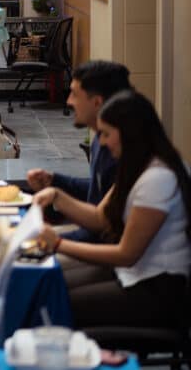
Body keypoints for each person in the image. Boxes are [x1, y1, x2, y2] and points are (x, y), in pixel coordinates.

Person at [34, 90, 191, 329]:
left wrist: (57, 244)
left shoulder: (158, 178)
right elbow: (100, 217)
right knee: (46, 284)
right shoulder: (137, 165)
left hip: (157, 290)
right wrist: (57, 195)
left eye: (106, 134)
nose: (103, 142)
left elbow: (126, 254)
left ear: (129, 134)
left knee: (48, 302)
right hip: (132, 275)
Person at [27, 60, 130, 241]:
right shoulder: (102, 137)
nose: (68, 101)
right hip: (87, 236)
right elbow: (98, 190)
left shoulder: (121, 150)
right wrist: (54, 180)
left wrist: (55, 241)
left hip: (102, 253)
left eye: (74, 94)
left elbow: (102, 225)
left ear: (97, 102)